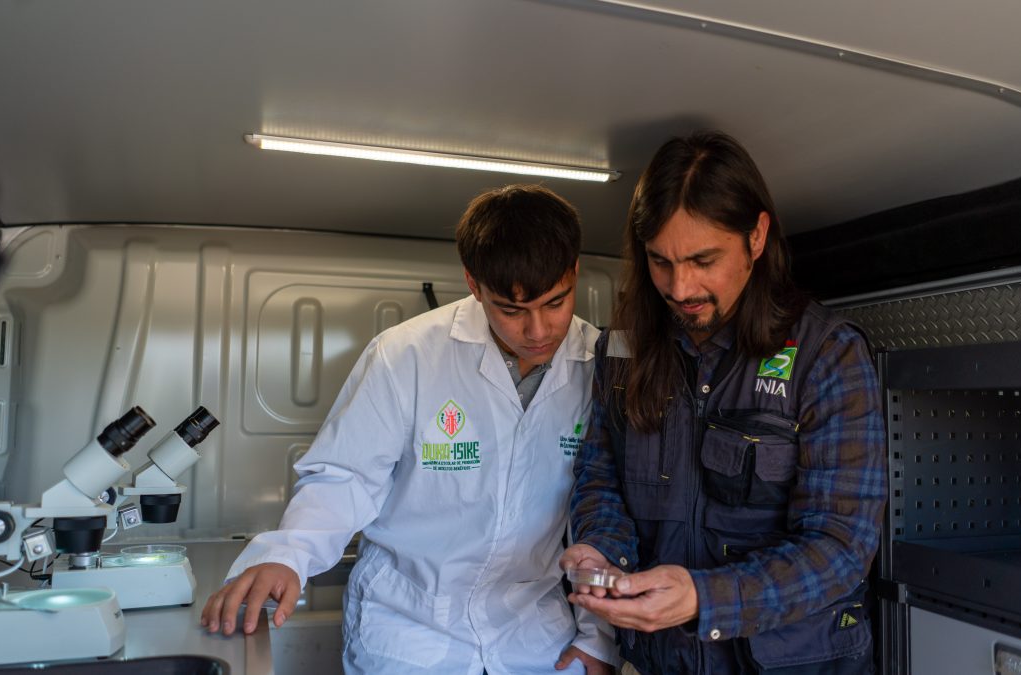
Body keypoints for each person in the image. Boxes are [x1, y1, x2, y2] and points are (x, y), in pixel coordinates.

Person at [201, 184, 616, 674]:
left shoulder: (603, 365)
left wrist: (597, 638)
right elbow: (345, 477)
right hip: (409, 628)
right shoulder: (406, 355)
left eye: (555, 303)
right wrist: (288, 554)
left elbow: (606, 510)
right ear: (473, 284)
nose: (539, 331)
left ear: (573, 275)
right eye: (511, 310)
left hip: (535, 634)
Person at [561, 131, 886, 674]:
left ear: (757, 237)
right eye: (660, 262)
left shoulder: (826, 355)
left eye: (702, 260)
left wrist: (703, 598)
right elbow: (600, 477)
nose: (680, 286)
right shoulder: (625, 349)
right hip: (662, 659)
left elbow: (840, 547)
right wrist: (601, 553)